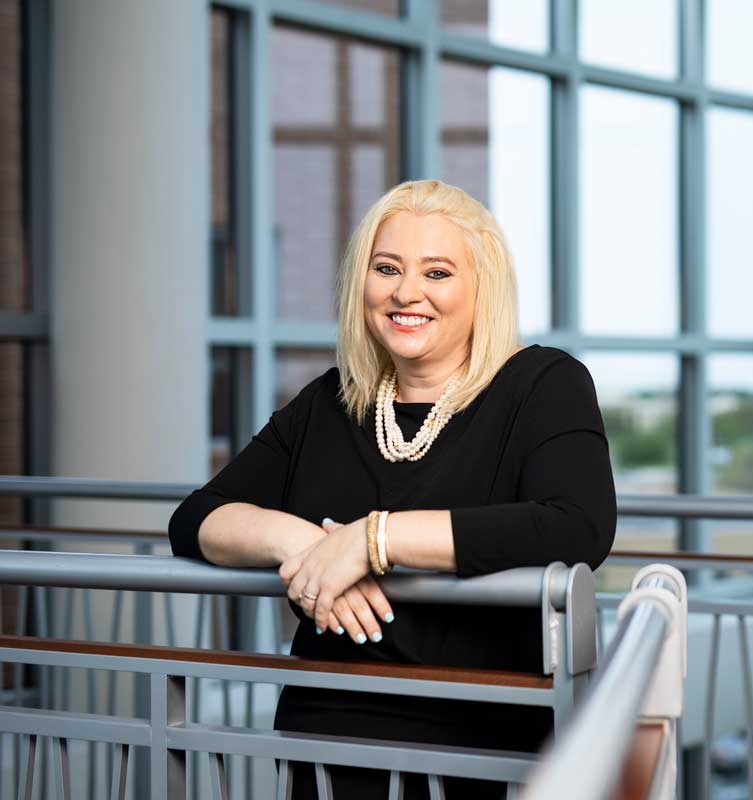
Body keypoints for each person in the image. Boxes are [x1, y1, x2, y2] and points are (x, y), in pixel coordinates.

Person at [168, 179, 617, 799]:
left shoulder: (543, 383)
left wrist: (373, 540)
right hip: (328, 738)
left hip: (483, 741)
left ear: (481, 287)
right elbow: (194, 520)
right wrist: (303, 543)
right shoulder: (329, 401)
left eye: (437, 272)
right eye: (387, 268)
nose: (407, 293)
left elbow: (577, 526)